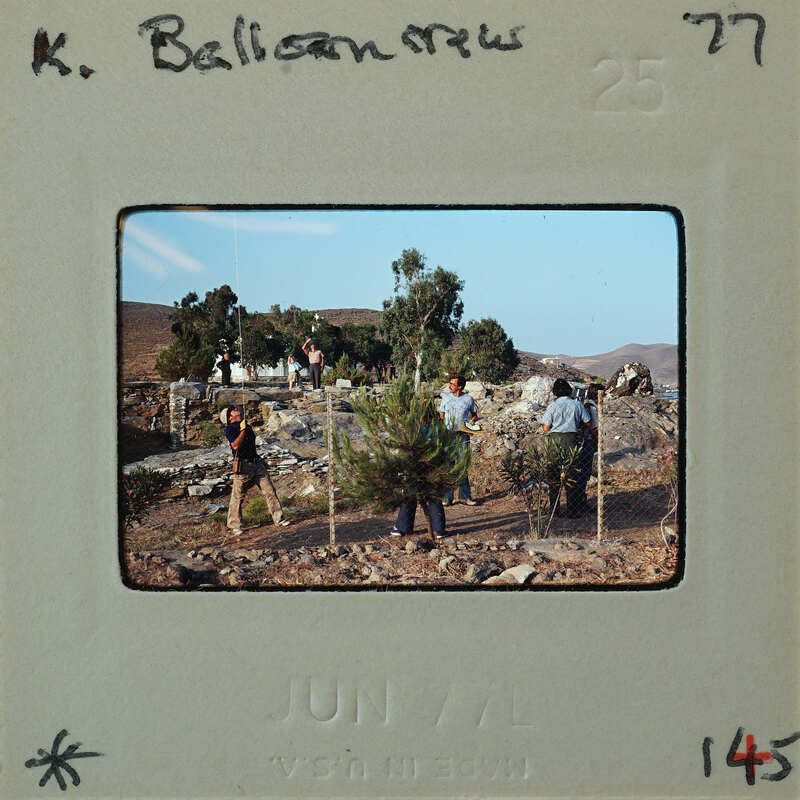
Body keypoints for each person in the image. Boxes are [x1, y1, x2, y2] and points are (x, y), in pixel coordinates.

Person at [221, 406, 286, 535]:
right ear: (229, 417)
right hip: (243, 466)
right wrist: (243, 430)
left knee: (270, 491)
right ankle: (234, 525)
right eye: (233, 410)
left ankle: (279, 519)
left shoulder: (246, 426)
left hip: (257, 464)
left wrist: (245, 427)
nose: (237, 410)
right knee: (238, 496)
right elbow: (235, 445)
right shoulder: (230, 429)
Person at [541, 378, 593, 517]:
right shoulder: (577, 404)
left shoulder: (552, 406)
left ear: (555, 392)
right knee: (572, 476)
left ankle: (554, 510)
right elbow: (588, 422)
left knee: (553, 477)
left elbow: (546, 428)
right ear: (569, 390)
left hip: (555, 443)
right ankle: (573, 510)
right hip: (571, 441)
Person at [439, 375, 478, 506]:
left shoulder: (468, 399)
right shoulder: (445, 398)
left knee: (462, 465)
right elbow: (441, 414)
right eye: (450, 383)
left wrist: (471, 423)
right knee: (448, 466)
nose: (449, 386)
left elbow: (474, 415)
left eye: (452, 384)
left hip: (462, 435)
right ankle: (447, 497)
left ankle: (464, 497)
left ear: (460, 386)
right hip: (448, 435)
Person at [575, 384, 601, 512]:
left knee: (580, 474)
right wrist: (599, 442)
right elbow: (594, 428)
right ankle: (581, 502)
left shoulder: (584, 405)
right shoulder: (592, 407)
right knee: (584, 474)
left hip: (580, 442)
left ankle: (579, 501)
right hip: (588, 442)